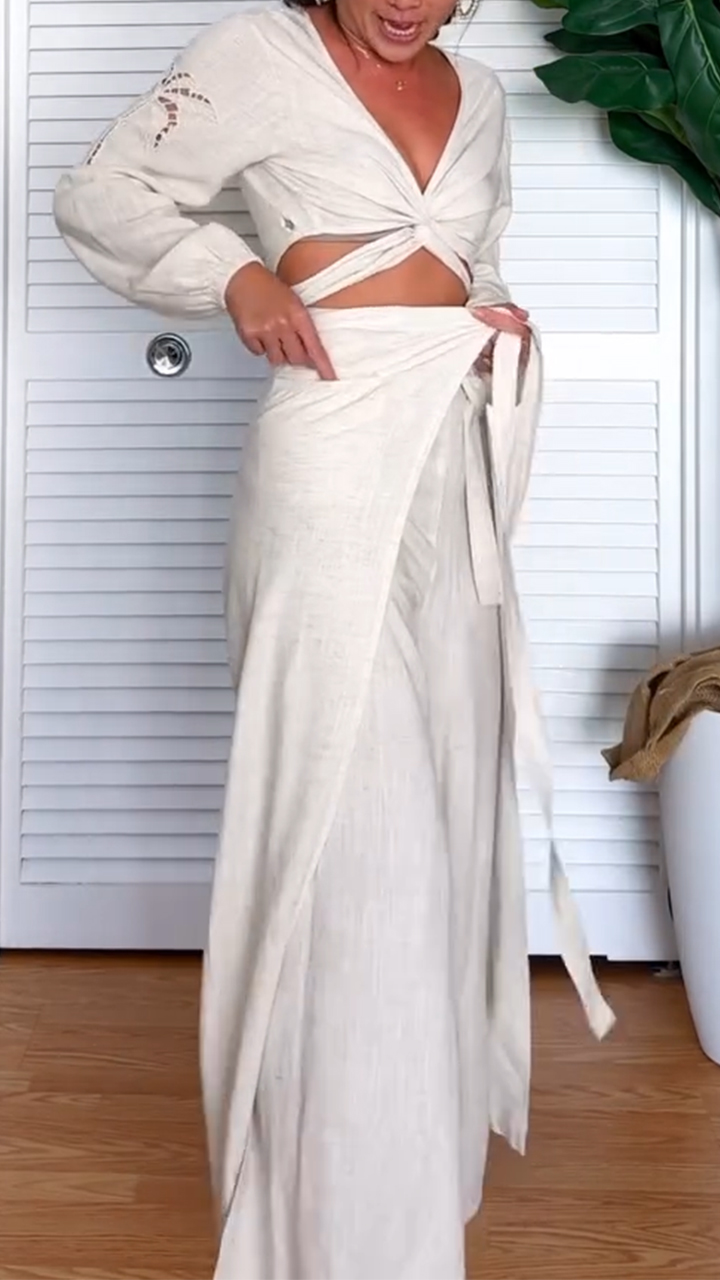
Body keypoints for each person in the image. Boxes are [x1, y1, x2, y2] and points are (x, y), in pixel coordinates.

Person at [54, 2, 614, 1275]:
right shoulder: (258, 56)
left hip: (455, 452)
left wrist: (494, 313)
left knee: (452, 804)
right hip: (329, 443)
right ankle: (352, 1239)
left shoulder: (479, 95)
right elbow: (103, 192)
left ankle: (416, 1178)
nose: (411, 2)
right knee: (360, 835)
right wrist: (237, 277)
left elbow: (473, 257)